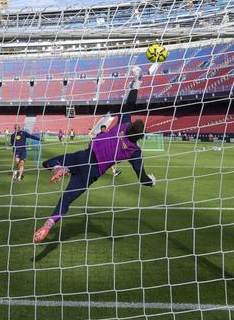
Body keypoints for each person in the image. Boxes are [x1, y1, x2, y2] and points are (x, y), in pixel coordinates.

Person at [33, 67, 155, 243]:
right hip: (92, 172)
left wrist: (137, 81)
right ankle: (49, 223)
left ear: (129, 127)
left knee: (48, 163)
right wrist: (151, 181)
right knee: (66, 199)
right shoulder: (135, 151)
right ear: (139, 138)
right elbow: (142, 178)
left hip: (84, 156)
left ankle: (61, 167)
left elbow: (130, 104)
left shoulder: (123, 125)